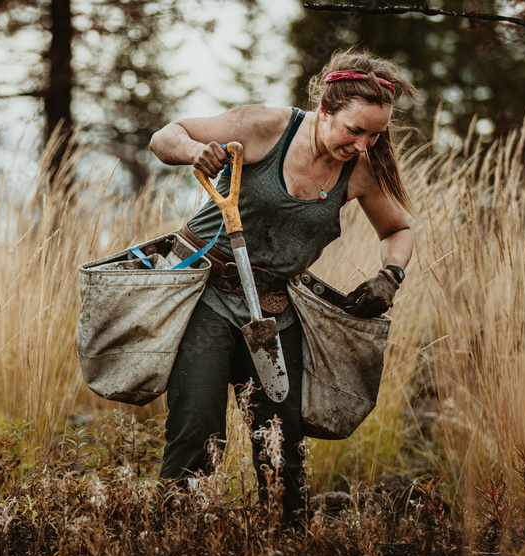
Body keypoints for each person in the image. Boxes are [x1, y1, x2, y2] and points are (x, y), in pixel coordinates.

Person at [147, 49, 415, 526]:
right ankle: (176, 542)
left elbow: (398, 230)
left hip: (272, 307)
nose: (363, 144)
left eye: (375, 134)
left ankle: (286, 547)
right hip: (205, 293)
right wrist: (194, 152)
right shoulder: (264, 127)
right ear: (325, 110)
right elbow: (165, 136)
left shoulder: (361, 171)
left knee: (281, 437)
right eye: (354, 130)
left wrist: (389, 276)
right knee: (197, 427)